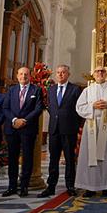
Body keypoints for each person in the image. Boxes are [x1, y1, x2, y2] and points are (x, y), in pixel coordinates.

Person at [76, 67, 107, 197]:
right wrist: (92, 106)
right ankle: (90, 187)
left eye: (102, 71)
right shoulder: (88, 90)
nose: (100, 73)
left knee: (106, 156)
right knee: (90, 156)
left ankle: (106, 186)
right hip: (91, 125)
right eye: (97, 72)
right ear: (93, 74)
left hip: (106, 126)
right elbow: (79, 107)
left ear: (106, 74)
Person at [39, 65, 83, 198]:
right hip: (54, 129)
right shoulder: (51, 90)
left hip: (69, 129)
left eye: (63, 72)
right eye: (58, 73)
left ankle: (70, 186)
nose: (60, 75)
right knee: (53, 159)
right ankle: (51, 186)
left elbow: (79, 110)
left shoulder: (75, 89)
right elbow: (51, 108)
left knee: (70, 159)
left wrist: (75, 126)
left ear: (68, 74)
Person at [2, 67, 44, 197]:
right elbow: (5, 108)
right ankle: (12, 186)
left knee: (27, 158)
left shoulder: (36, 90)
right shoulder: (11, 90)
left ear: (30, 76)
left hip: (28, 128)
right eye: (21, 74)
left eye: (26, 74)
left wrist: (24, 120)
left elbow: (38, 108)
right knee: (12, 158)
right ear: (17, 75)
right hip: (12, 128)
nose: (23, 76)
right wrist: (15, 120)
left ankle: (24, 186)